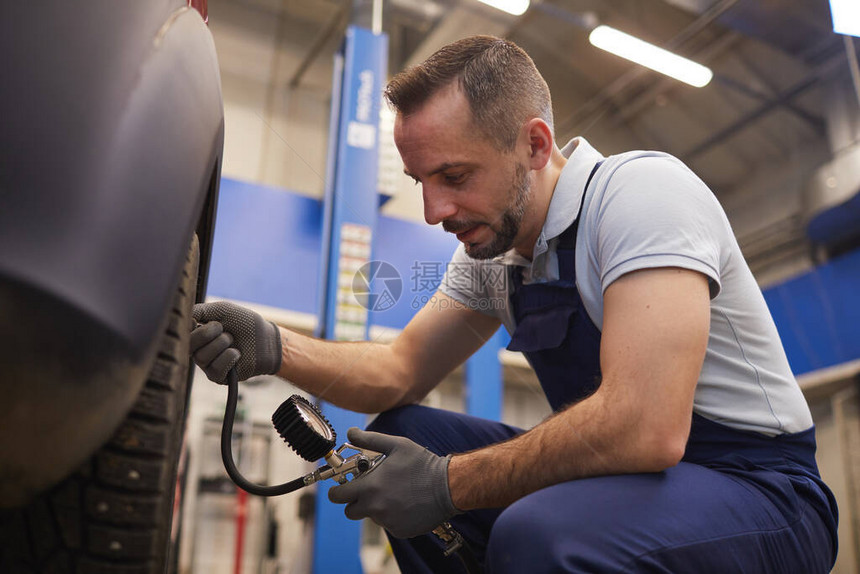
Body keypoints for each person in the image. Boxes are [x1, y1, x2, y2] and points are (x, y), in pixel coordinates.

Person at [191, 36, 838, 573]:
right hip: (634, 481)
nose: (433, 211)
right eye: (421, 183)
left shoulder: (642, 196)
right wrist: (276, 346)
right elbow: (398, 372)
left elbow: (646, 425)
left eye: (454, 176)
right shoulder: (494, 257)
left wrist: (446, 486)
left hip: (763, 492)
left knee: (543, 535)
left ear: (533, 145)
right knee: (402, 438)